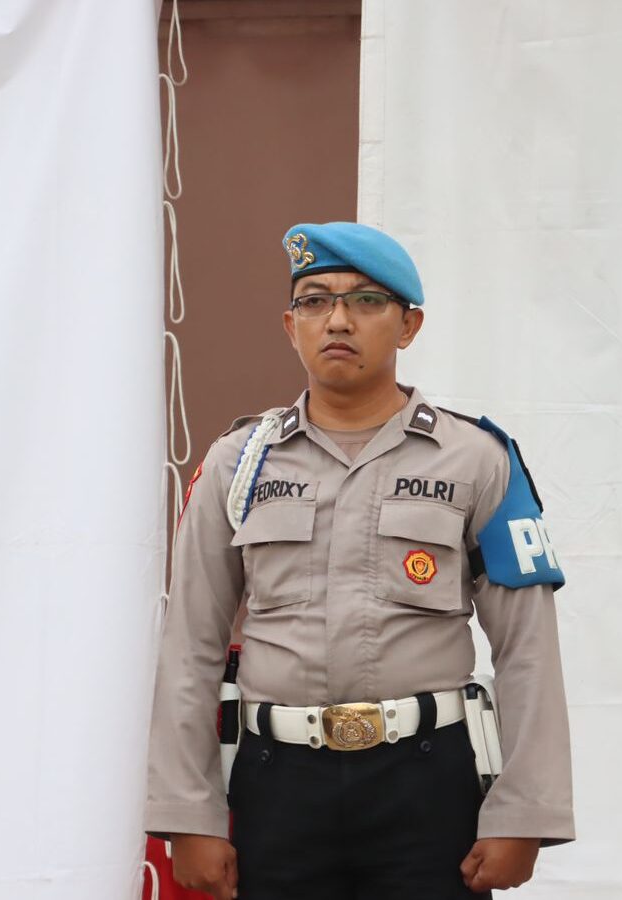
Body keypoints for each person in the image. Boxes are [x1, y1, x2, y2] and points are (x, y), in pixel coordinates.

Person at [144, 221, 572, 899]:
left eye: (368, 301)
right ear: (291, 325)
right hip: (277, 786)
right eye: (315, 301)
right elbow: (190, 642)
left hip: (427, 787)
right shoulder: (238, 464)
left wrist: (524, 812)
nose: (338, 319)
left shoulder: (476, 460)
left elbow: (527, 649)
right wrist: (186, 813)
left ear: (409, 326)